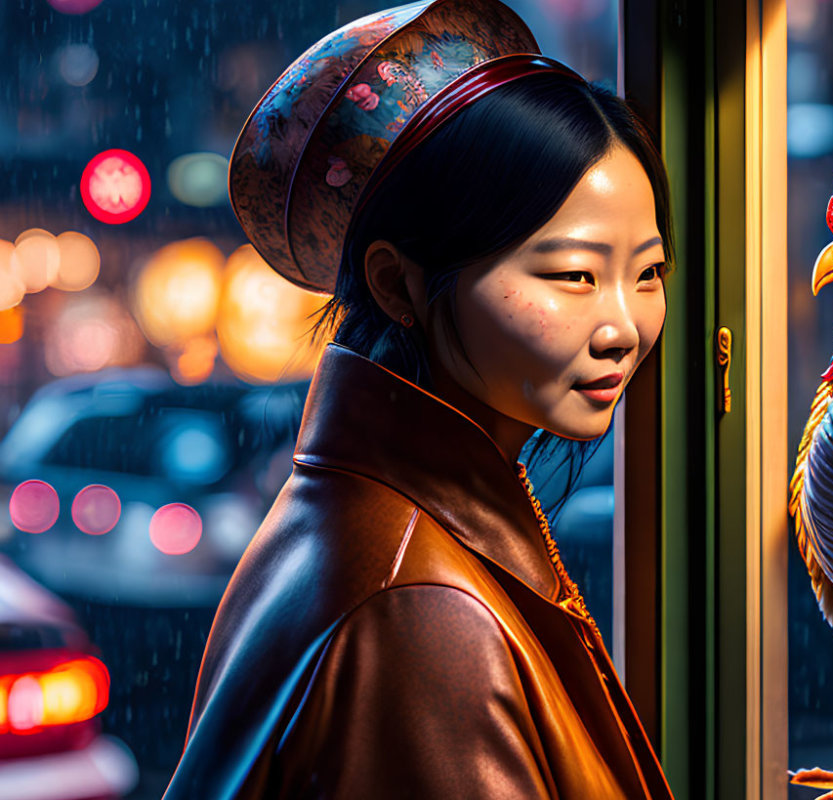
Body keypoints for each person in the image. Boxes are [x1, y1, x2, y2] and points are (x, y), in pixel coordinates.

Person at [163, 0, 675, 797]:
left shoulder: (358, 506)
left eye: (647, 274)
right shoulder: (422, 611)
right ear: (398, 284)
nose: (623, 327)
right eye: (573, 275)